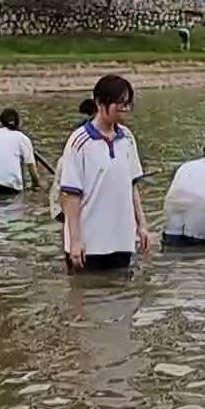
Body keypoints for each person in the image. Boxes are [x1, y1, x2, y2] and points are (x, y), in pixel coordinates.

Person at [57, 76, 151, 272]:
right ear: (100, 103)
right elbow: (70, 195)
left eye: (127, 105)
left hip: (121, 241)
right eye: (119, 106)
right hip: (90, 244)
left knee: (121, 296)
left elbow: (132, 186)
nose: (124, 111)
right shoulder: (79, 141)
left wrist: (141, 225)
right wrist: (75, 241)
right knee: (84, 296)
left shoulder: (127, 138)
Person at [0, 109, 39, 195]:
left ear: (0, 123)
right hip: (9, 186)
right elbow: (31, 168)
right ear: (18, 124)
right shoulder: (22, 138)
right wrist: (36, 186)